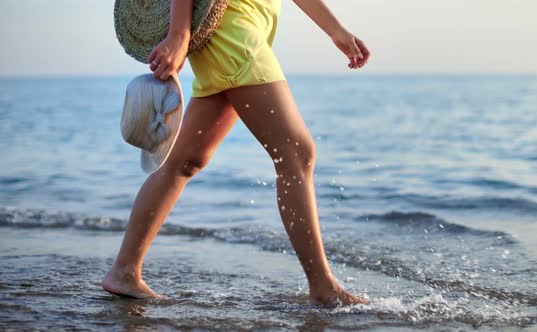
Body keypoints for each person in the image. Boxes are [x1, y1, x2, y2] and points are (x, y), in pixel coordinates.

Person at [102, 0, 370, 306]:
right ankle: (323, 287)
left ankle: (124, 271)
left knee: (186, 162)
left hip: (250, 24)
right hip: (231, 28)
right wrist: (178, 33)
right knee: (296, 153)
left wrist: (335, 30)